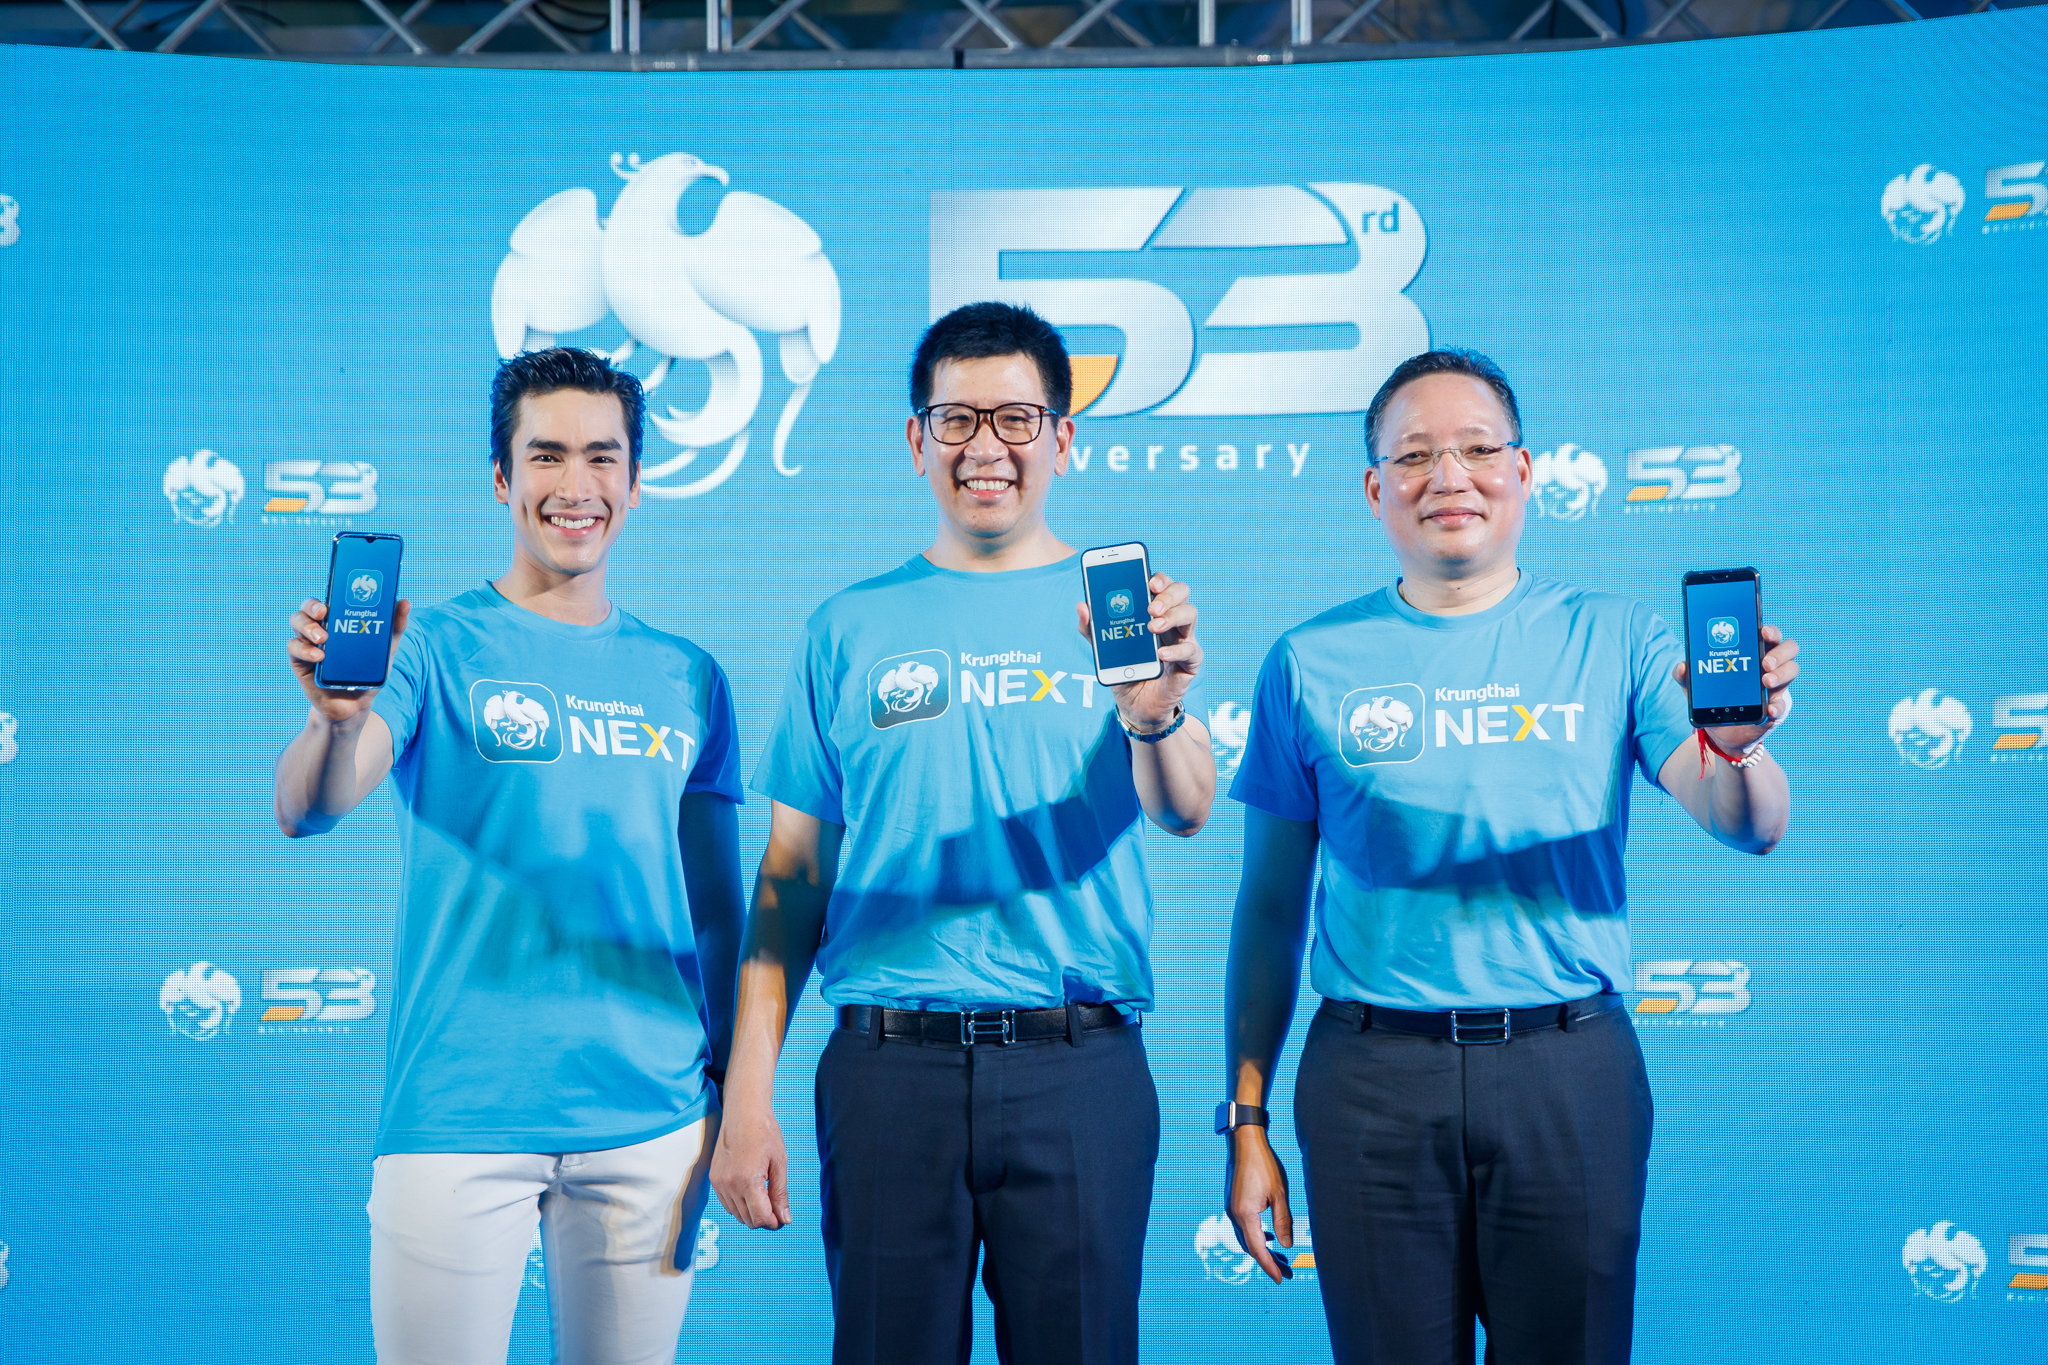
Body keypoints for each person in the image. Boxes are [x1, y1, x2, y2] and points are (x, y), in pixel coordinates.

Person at [1219, 349, 1801, 1365]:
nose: (1448, 477)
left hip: (1565, 1075)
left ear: (1523, 472)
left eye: (1478, 449)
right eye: (1413, 455)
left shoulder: (1615, 638)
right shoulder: (1308, 659)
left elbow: (1743, 821)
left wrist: (1741, 747)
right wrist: (1246, 1118)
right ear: (1374, 489)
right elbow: (1268, 907)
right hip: (1369, 1083)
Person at [709, 301, 1215, 1365]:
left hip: (1078, 1070)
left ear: (1063, 439)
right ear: (916, 439)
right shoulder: (847, 627)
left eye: (1017, 419)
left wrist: (1152, 711)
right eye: (957, 420)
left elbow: (1184, 808)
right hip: (888, 1075)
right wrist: (745, 1095)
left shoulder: (1122, 614)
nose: (986, 447)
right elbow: (791, 877)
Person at [273, 347, 746, 1365]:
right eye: (546, 456)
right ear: (501, 477)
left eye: (602, 457)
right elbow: (310, 806)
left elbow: (716, 911)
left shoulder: (689, 676)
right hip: (458, 1114)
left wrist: (731, 1092)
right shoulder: (428, 646)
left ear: (635, 480)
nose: (576, 485)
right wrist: (332, 722)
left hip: (651, 1121)